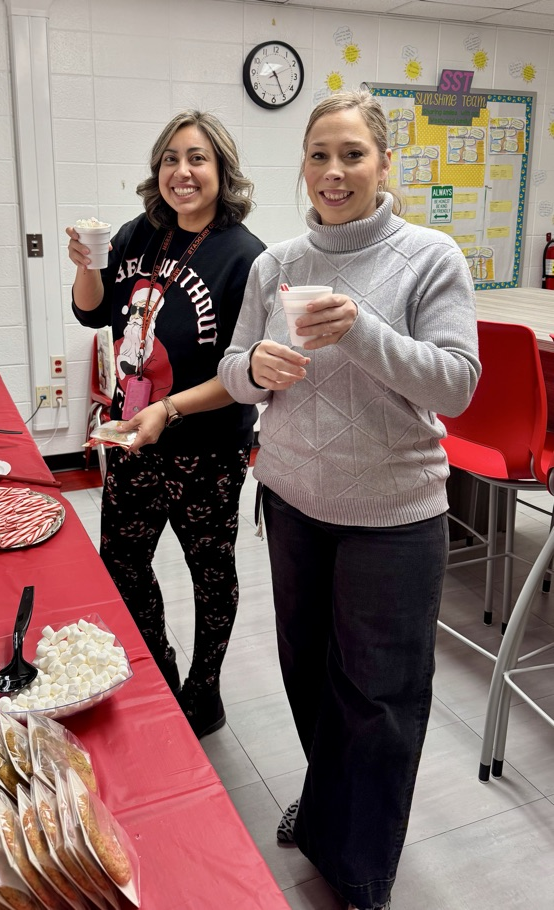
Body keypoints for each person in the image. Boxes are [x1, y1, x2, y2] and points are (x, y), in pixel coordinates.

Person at [217, 89, 480, 910]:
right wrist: (255, 368)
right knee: (308, 674)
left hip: (392, 515)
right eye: (320, 155)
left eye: (353, 155)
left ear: (385, 163)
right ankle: (332, 807)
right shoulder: (276, 264)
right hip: (293, 498)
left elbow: (459, 385)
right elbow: (231, 369)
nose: (334, 173)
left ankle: (361, 873)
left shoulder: (430, 256)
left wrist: (360, 331)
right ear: (302, 163)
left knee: (379, 699)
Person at [67, 110, 265, 738]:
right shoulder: (138, 233)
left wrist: (171, 408)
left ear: (222, 171)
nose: (183, 172)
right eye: (172, 158)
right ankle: (160, 671)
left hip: (206, 447)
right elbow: (92, 314)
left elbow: (246, 373)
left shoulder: (246, 258)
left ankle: (202, 694)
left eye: (198, 158)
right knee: (122, 563)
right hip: (134, 439)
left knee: (211, 573)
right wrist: (85, 265)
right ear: (158, 169)